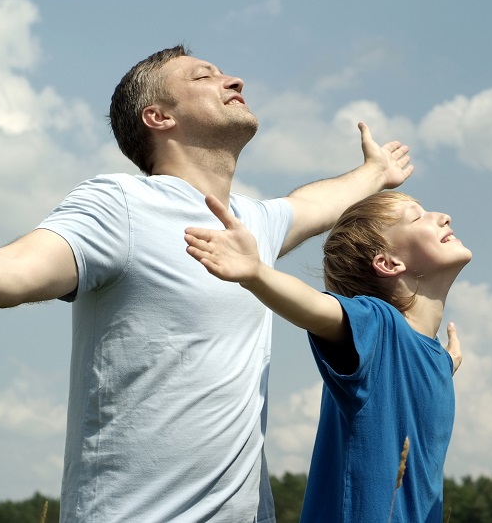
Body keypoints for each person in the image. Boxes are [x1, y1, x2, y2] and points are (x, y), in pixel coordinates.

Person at [0, 45, 413, 522]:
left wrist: (376, 172)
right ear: (159, 116)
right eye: (204, 76)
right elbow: (12, 271)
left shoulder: (249, 224)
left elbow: (312, 204)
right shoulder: (121, 204)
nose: (234, 81)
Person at [184, 190, 469, 522]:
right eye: (416, 216)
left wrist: (443, 364)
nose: (443, 216)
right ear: (388, 263)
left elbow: (411, 375)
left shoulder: (429, 355)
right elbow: (319, 309)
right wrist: (257, 274)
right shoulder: (378, 325)